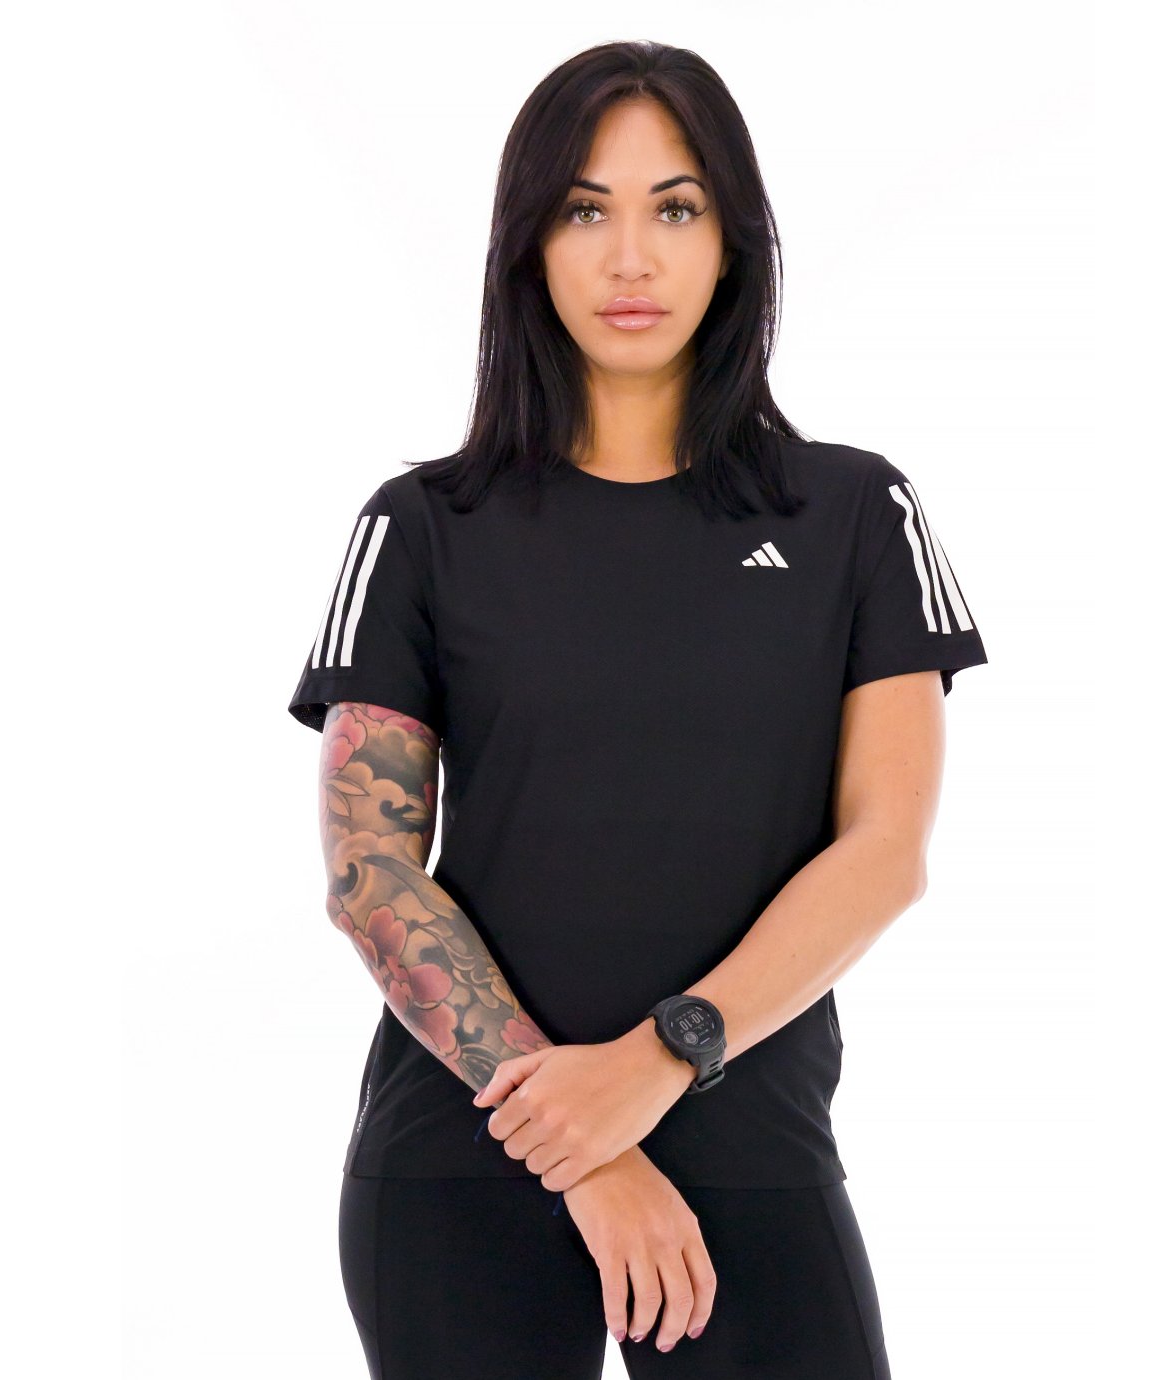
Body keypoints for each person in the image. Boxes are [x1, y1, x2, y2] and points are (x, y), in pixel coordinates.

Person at [287, 40, 987, 1380]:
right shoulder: (422, 526)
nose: (629, 258)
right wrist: (584, 1144)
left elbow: (883, 852)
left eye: (673, 208)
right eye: (582, 210)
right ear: (527, 244)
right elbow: (372, 870)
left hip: (751, 1149)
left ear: (733, 240)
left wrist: (661, 1061)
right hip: (466, 1161)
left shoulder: (852, 513)